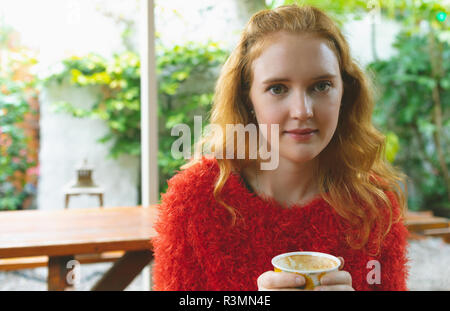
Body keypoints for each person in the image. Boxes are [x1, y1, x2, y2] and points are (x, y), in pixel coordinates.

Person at [152, 4, 410, 291]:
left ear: (345, 92)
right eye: (278, 88)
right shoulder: (196, 200)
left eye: (321, 86)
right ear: (247, 97)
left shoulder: (374, 207)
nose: (302, 110)